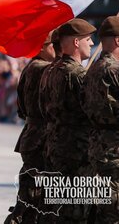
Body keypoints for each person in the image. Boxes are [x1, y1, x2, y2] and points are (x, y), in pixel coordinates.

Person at [42, 18, 96, 222]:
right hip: (77, 150)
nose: (91, 43)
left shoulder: (49, 71)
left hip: (54, 146)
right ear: (76, 42)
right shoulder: (78, 74)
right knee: (76, 211)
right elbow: (91, 111)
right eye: (88, 39)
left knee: (57, 208)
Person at [5, 31, 55, 224]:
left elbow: (21, 109)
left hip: (32, 133)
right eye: (53, 46)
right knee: (34, 193)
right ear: (42, 48)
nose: (56, 50)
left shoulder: (31, 67)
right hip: (40, 135)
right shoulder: (41, 68)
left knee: (31, 189)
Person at [82, 16, 119, 224]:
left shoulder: (92, 70)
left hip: (96, 150)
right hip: (114, 153)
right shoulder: (114, 70)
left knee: (100, 212)